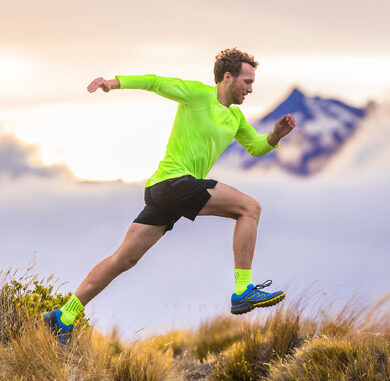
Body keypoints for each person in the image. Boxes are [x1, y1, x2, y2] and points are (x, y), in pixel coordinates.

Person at [42, 48, 295, 345]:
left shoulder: (235, 117)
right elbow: (155, 81)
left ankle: (63, 316)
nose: (251, 89)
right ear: (228, 77)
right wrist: (113, 82)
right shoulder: (198, 94)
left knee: (123, 260)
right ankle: (242, 290)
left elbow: (255, 146)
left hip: (164, 191)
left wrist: (276, 135)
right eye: (247, 82)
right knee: (250, 208)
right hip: (174, 183)